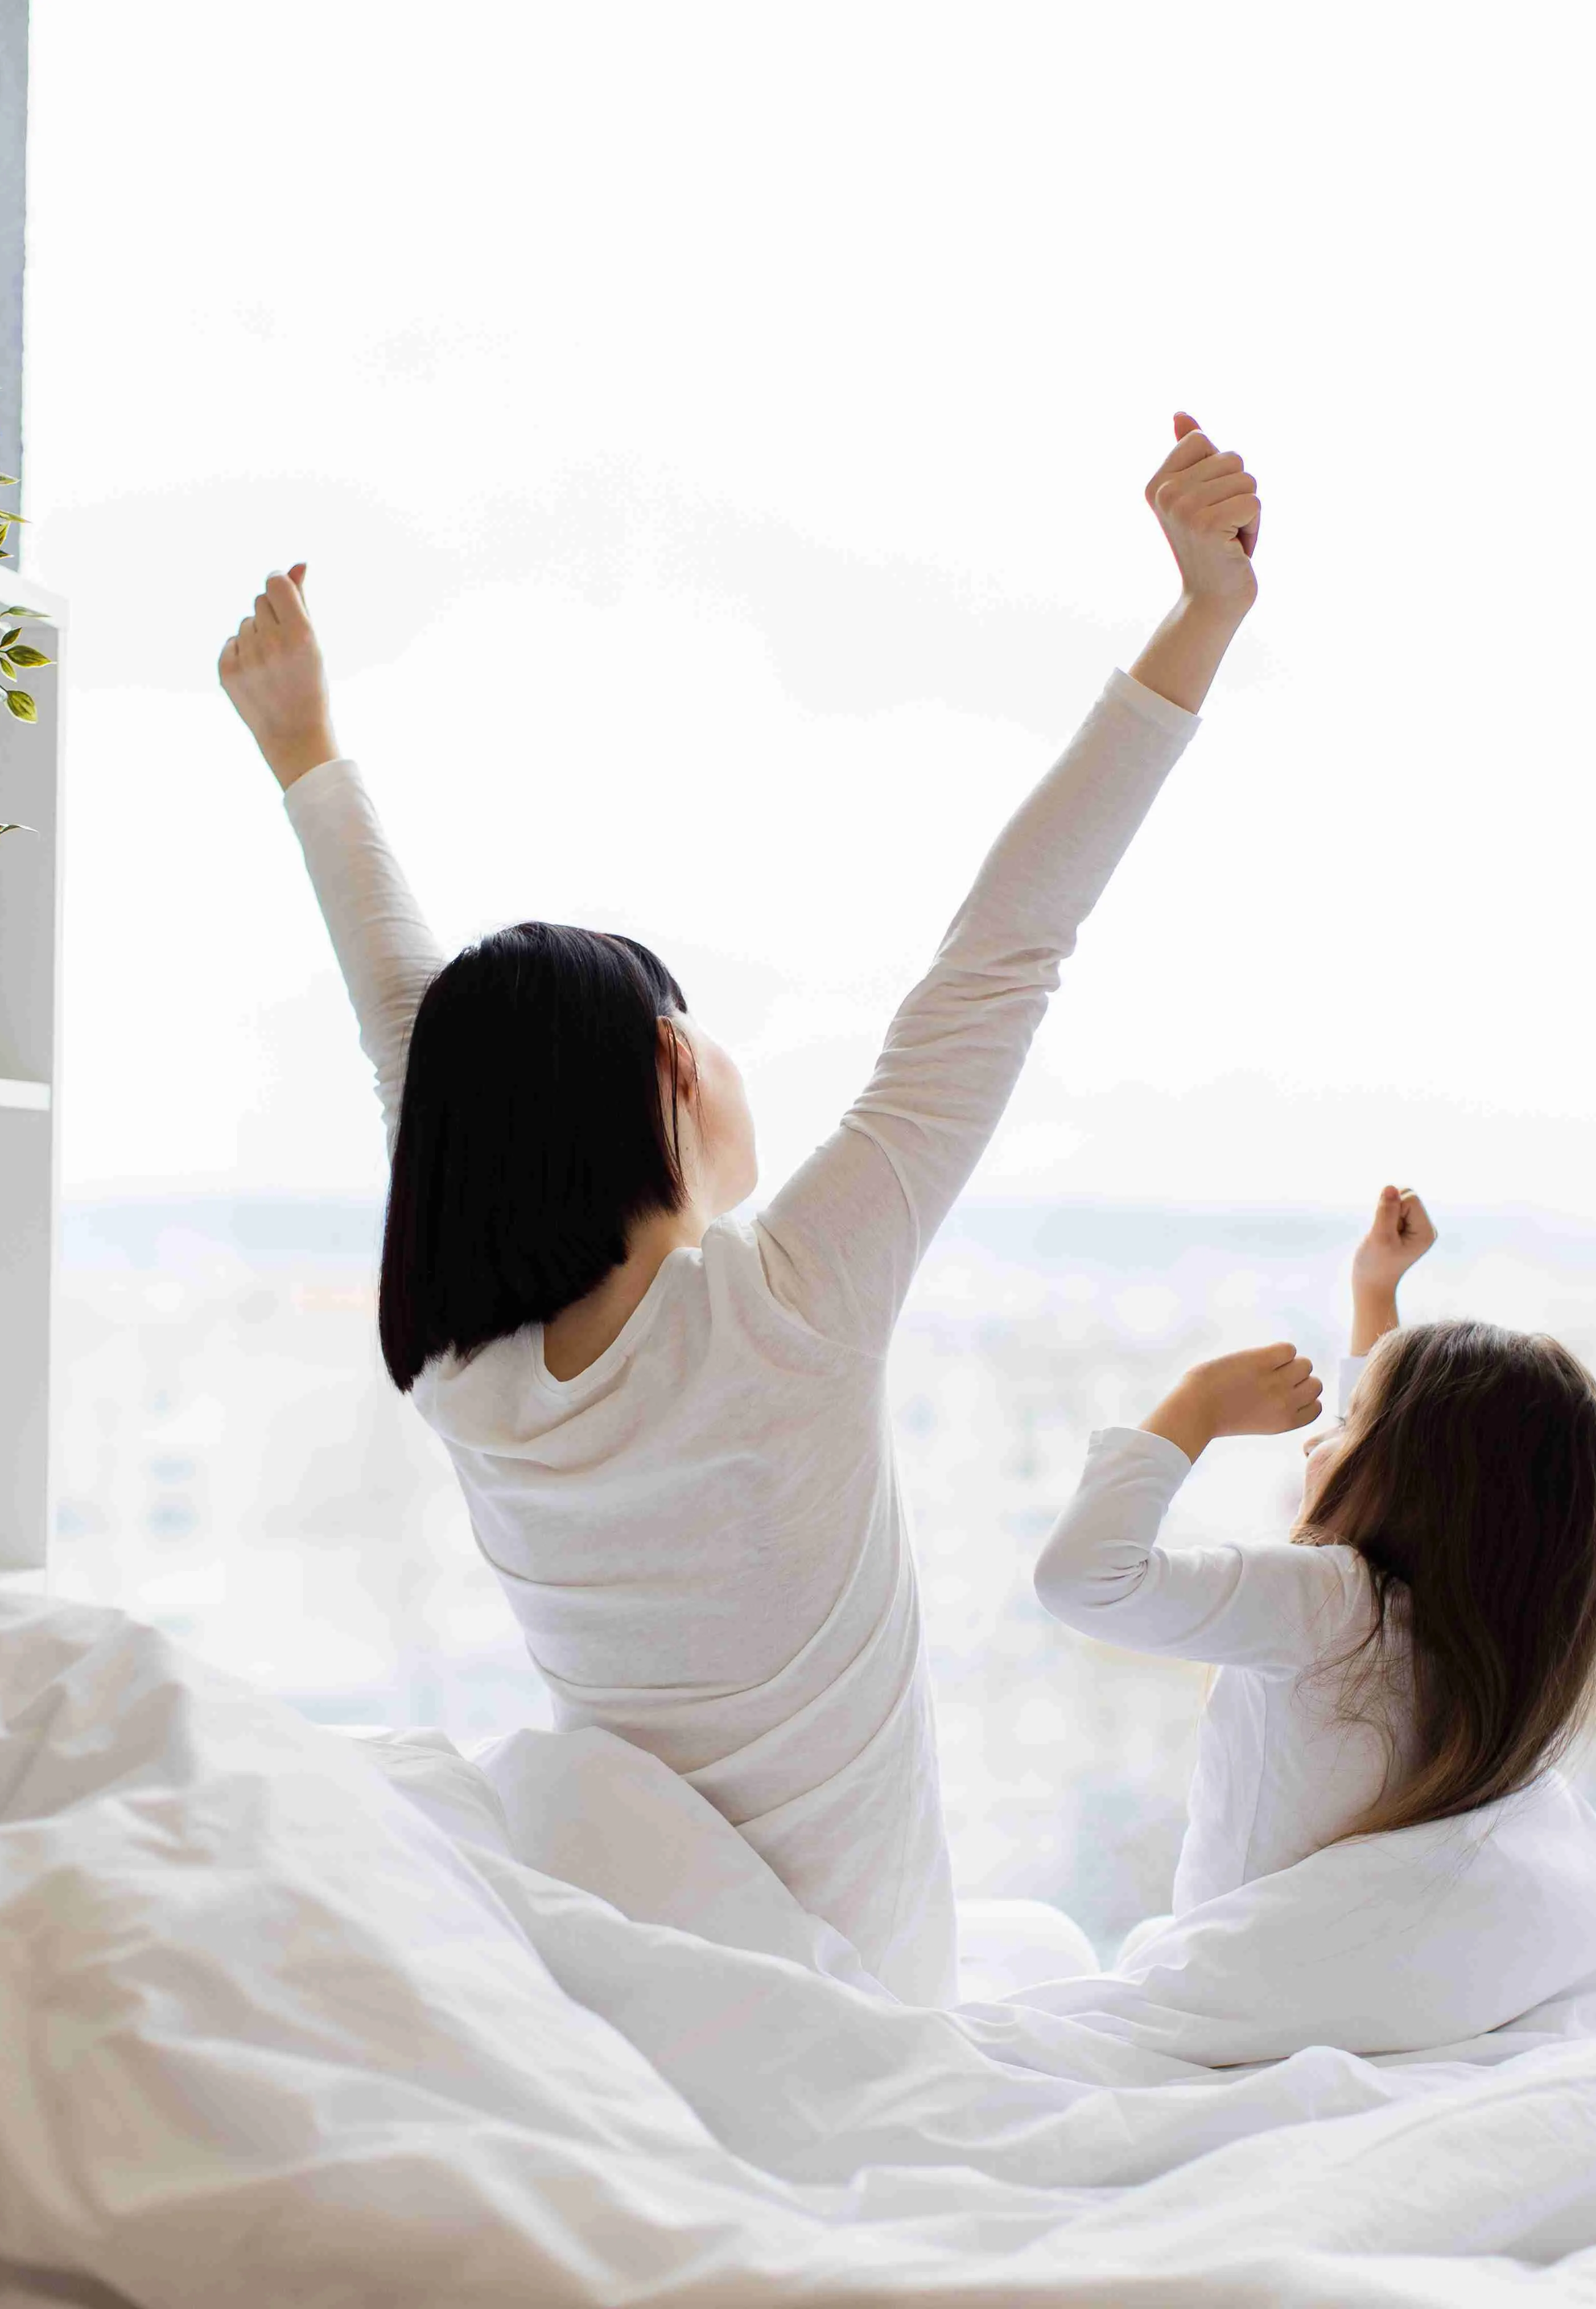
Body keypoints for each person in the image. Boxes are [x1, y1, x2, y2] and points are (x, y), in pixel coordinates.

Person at [215, 415, 1263, 2002]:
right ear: (667, 1068)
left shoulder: (470, 1377)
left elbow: (410, 1041)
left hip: (641, 1971)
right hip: (861, 1999)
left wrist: (303, 754)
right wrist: (1201, 618)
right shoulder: (786, 1308)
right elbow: (1004, 953)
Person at [1030, 1187, 1596, 1915]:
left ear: (1404, 1479)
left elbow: (1081, 1580)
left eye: (1348, 1430)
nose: (1317, 1437)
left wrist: (1198, 1405)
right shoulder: (1491, 1618)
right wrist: (1375, 1288)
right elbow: (1412, 1444)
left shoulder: (1328, 1600)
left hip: (1243, 1972)